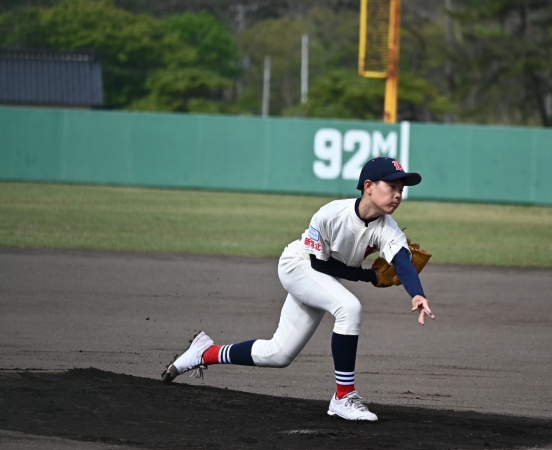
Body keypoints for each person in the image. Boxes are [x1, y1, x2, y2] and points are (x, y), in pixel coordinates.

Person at [161, 157, 435, 421]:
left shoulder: (388, 228)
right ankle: (344, 397)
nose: (398, 194)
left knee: (278, 354)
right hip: (299, 265)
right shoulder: (331, 214)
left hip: (321, 279)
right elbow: (319, 264)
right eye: (392, 186)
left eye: (401, 189)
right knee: (349, 308)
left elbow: (403, 261)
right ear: (369, 186)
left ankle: (204, 352)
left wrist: (417, 294)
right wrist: (369, 276)